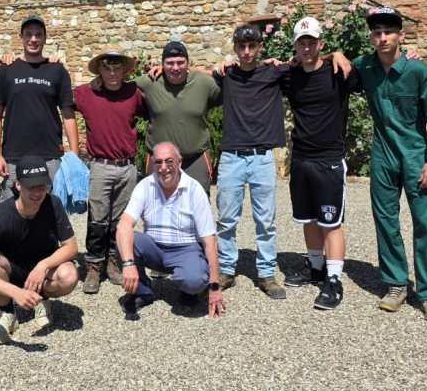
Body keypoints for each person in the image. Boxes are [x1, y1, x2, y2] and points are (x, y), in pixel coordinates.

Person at [353, 6, 427, 324]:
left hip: (415, 155)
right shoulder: (366, 67)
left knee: (424, 224)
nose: (382, 38)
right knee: (386, 221)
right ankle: (396, 284)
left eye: (388, 32)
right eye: (377, 33)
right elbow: (335, 68)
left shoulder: (418, 73)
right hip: (383, 156)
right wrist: (334, 57)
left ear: (401, 36)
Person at [280, 17, 362, 311]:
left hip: (329, 158)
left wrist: (337, 54)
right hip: (301, 158)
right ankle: (315, 268)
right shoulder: (290, 76)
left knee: (331, 222)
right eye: (301, 42)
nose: (306, 47)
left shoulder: (338, 71)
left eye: (312, 42)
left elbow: (367, 71)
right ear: (295, 46)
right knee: (308, 219)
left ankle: (334, 279)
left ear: (321, 44)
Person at [212, 24, 290, 300]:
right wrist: (159, 68)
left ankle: (267, 273)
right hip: (232, 157)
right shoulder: (226, 75)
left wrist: (337, 55)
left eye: (251, 46)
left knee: (265, 221)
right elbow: (190, 75)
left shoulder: (274, 71)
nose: (246, 52)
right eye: (241, 47)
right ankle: (226, 269)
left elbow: (310, 60)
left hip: (261, 158)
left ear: (259, 48)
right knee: (226, 219)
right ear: (235, 48)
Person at [0, 156, 79, 344]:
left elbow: (71, 246)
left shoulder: (53, 204)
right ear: (18, 185)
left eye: (42, 186)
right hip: (12, 270)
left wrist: (43, 266)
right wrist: (15, 293)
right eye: (31, 187)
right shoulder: (1, 215)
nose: (38, 193)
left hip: (42, 272)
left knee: (69, 274)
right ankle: (7, 312)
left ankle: (41, 300)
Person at [116, 141, 224, 322]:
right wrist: (128, 264)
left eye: (169, 161)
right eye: (158, 162)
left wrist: (214, 286)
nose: (163, 168)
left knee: (195, 279)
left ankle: (189, 291)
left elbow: (209, 240)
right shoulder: (145, 186)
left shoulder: (194, 189)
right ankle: (143, 290)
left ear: (179, 162)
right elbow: (124, 224)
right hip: (155, 248)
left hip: (185, 249)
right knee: (124, 237)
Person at [73, 48, 145, 294]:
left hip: (126, 166)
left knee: (121, 219)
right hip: (101, 166)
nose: (112, 73)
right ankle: (94, 265)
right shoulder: (86, 94)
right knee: (97, 218)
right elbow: (59, 98)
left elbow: (157, 107)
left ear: (124, 70)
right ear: (100, 71)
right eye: (107, 68)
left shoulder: (134, 93)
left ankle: (114, 261)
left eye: (117, 68)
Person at [0, 14, 79, 202]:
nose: (33, 39)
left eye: (38, 35)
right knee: (10, 215)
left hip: (50, 157)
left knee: (51, 215)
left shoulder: (57, 70)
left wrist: (75, 156)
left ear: (45, 38)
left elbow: (68, 114)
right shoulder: (6, 69)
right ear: (21, 38)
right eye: (28, 34)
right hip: (13, 157)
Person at [137, 41, 222, 194]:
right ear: (162, 64)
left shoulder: (204, 83)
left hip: (195, 158)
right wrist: (97, 82)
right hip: (159, 160)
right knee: (156, 206)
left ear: (188, 63)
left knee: (198, 208)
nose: (175, 68)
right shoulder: (150, 82)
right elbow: (119, 88)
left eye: (180, 62)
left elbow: (234, 88)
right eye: (170, 63)